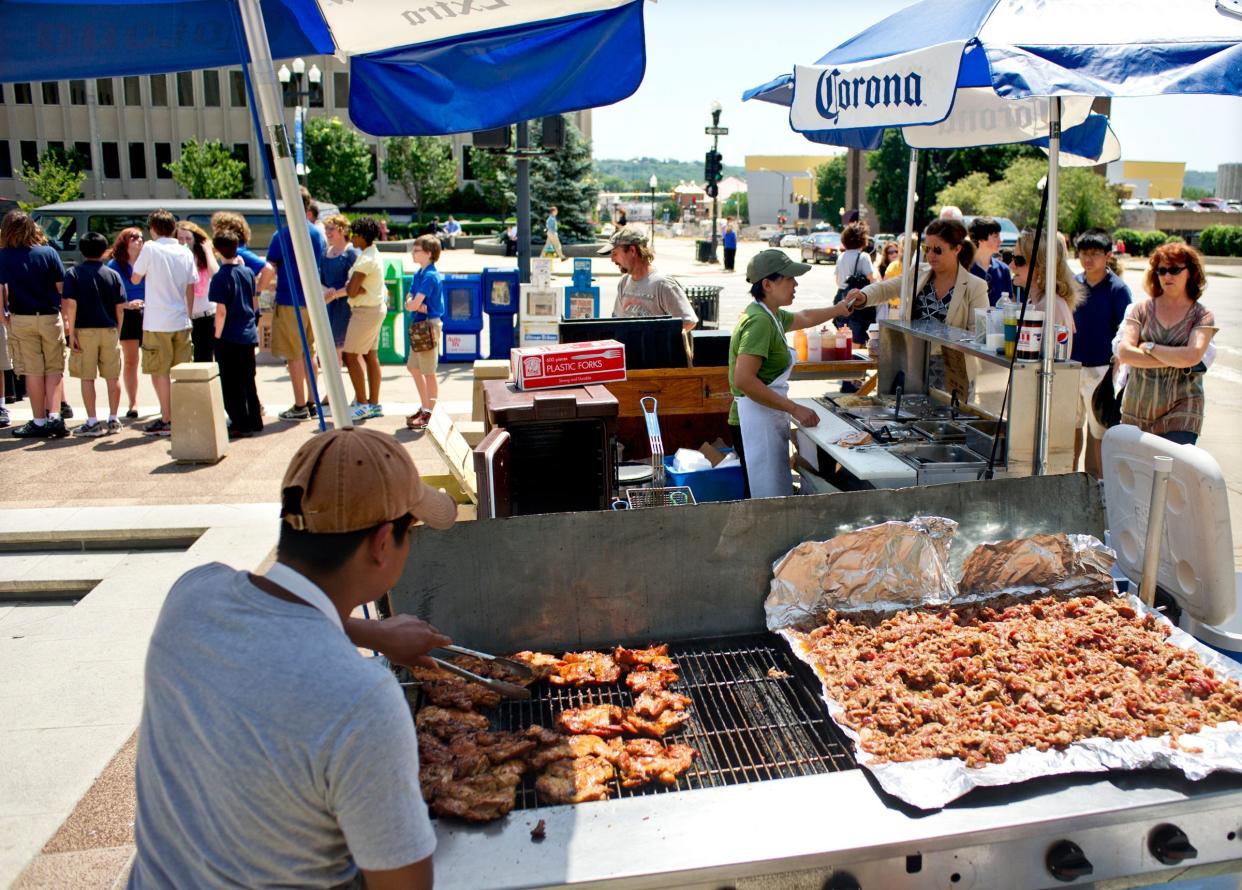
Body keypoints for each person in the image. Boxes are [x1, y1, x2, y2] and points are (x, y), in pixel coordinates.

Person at [128, 426, 456, 889]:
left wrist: (372, 633)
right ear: (383, 542)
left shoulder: (191, 595)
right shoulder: (362, 701)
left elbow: (278, 617)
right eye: (412, 532)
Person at [730, 249, 859, 499]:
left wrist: (840, 308)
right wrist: (794, 408)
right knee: (765, 498)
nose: (795, 283)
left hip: (765, 415)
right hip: (753, 421)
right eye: (789, 278)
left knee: (772, 495)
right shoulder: (759, 323)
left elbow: (805, 317)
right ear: (767, 284)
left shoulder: (771, 314)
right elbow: (743, 379)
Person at [1116, 244, 1217, 445]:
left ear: (1191, 273)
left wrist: (1149, 347)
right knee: (1139, 473)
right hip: (1137, 407)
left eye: (1174, 270)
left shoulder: (1202, 315)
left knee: (1172, 470)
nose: (1167, 276)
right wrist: (1176, 359)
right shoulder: (1140, 310)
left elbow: (1192, 356)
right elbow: (1125, 353)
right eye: (1161, 270)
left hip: (1183, 408)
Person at [259, 190, 327, 421]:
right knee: (309, 352)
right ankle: (311, 401)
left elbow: (270, 268)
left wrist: (257, 292)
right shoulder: (317, 233)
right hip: (312, 301)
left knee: (293, 355)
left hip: (290, 300)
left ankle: (299, 406)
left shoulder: (283, 235)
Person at [0, 210, 68, 438]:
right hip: (49, 316)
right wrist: (66, 318)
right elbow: (62, 288)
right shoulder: (48, 252)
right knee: (54, 368)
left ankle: (38, 420)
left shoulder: (3, 256)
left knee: (33, 371)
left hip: (21, 318)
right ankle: (55, 417)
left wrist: (4, 318)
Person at [130, 209, 197, 436]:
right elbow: (191, 286)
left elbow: (135, 277)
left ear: (153, 229)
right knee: (181, 372)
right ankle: (181, 415)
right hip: (181, 319)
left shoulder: (150, 248)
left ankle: (167, 417)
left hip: (157, 320)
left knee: (159, 371)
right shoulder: (184, 251)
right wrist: (188, 314)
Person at [1071, 229, 1132, 477]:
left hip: (1102, 370)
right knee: (1072, 428)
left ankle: (1097, 488)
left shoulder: (1118, 289)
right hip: (1072, 366)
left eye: (1095, 254)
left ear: (1108, 255)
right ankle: (1071, 478)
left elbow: (1127, 330)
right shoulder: (1073, 283)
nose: (1088, 259)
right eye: (1084, 253)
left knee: (1099, 433)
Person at [63, 231, 125, 437]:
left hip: (84, 330)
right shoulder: (113, 274)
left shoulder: (73, 274)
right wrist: (118, 329)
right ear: (104, 250)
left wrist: (71, 334)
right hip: (109, 329)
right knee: (112, 375)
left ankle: (92, 421)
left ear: (81, 250)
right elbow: (120, 307)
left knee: (87, 377)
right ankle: (114, 418)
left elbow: (71, 305)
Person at [330, 216, 385, 421]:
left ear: (362, 236)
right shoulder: (373, 254)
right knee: (371, 356)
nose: (351, 237)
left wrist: (355, 287)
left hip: (365, 312)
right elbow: (356, 288)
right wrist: (358, 287)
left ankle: (362, 404)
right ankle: (374, 403)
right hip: (374, 308)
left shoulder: (365, 260)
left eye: (354, 234)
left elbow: (351, 291)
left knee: (350, 355)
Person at [210, 231, 263, 439]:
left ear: (217, 250)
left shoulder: (220, 277)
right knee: (248, 380)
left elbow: (221, 311)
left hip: (229, 336)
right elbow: (252, 300)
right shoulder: (248, 272)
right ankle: (255, 419)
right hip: (248, 333)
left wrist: (217, 336)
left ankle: (240, 423)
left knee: (231, 383)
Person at [600, 226, 698, 331]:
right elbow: (617, 320)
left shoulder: (663, 284)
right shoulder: (624, 282)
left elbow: (688, 321)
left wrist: (654, 340)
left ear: (632, 250)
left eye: (615, 253)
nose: (612, 259)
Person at [1007, 229, 1084, 359]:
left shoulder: (1051, 305)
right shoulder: (1040, 301)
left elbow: (1047, 364)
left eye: (1019, 261)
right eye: (1012, 258)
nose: (1011, 265)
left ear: (1041, 266)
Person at [404, 235, 444, 431]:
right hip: (420, 325)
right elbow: (411, 301)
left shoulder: (429, 276)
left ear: (428, 253)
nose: (413, 252)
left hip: (428, 326)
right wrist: (415, 305)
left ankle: (430, 412)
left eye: (417, 250)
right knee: (414, 367)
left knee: (428, 371)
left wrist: (414, 305)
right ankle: (425, 406)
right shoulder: (419, 274)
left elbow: (413, 303)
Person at [107, 228, 147, 420]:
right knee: (131, 360)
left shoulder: (148, 261)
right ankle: (133, 403)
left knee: (160, 360)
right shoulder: (115, 265)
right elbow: (110, 295)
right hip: (127, 314)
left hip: (151, 314)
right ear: (124, 242)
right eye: (134, 237)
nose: (139, 240)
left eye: (141, 237)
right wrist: (127, 305)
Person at [319, 214, 359, 401]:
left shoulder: (351, 254)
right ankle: (334, 392)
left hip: (346, 306)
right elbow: (320, 279)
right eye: (326, 229)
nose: (327, 233)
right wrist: (326, 292)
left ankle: (358, 393)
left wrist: (336, 293)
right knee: (332, 352)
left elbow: (355, 284)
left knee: (349, 352)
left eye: (331, 229)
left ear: (342, 230)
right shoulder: (325, 253)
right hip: (330, 306)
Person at [176, 220, 219, 364]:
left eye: (188, 238)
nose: (184, 242)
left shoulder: (202, 258)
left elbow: (216, 275)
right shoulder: (174, 258)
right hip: (183, 317)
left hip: (206, 316)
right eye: (180, 239)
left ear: (195, 240)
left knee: (205, 359)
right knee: (183, 360)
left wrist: (207, 250)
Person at [834, 221, 877, 347]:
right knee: (857, 337)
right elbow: (871, 279)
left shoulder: (841, 256)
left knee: (843, 334)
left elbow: (837, 280)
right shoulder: (863, 257)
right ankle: (856, 365)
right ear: (862, 239)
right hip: (857, 300)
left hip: (840, 297)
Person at [967, 216, 1014, 306]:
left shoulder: (1004, 269)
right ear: (981, 239)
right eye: (996, 236)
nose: (1001, 240)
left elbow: (1009, 302)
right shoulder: (964, 268)